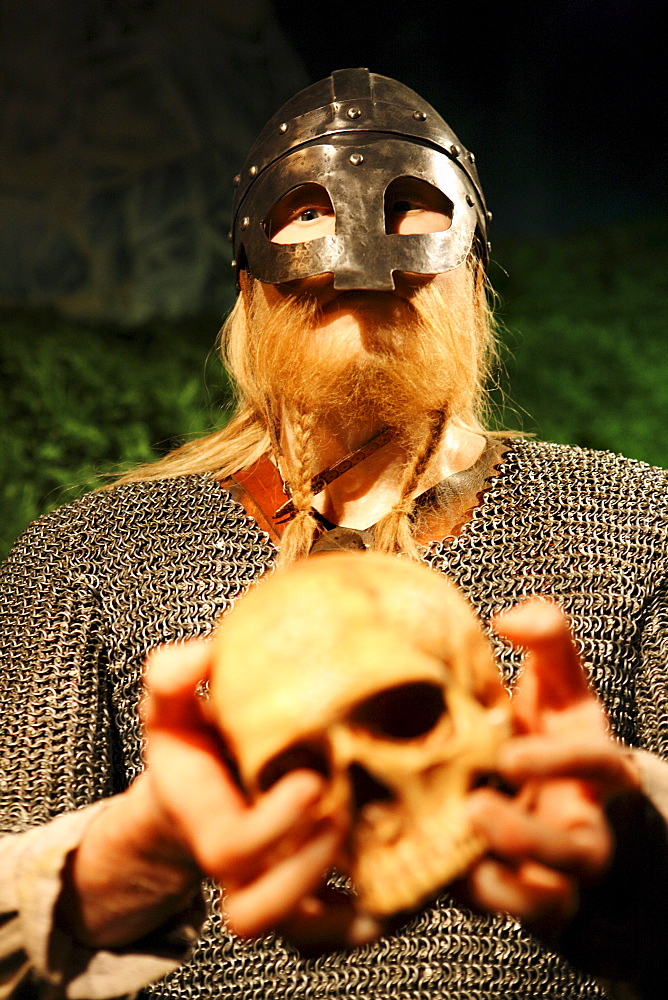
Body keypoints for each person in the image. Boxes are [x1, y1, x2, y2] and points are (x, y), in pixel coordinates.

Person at [1, 67, 667, 1000]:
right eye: (305, 211)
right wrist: (105, 876)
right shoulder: (87, 563)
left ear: (473, 274)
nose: (360, 245)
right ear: (248, 280)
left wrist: (643, 849)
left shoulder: (640, 531)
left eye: (414, 209)